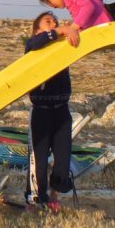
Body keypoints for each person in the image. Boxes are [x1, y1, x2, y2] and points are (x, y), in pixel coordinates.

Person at [24, 11, 73, 212]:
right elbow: (36, 43)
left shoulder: (60, 46)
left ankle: (55, 194)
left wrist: (72, 30)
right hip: (41, 112)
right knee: (39, 160)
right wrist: (59, 30)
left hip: (61, 111)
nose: (54, 23)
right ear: (37, 29)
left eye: (56, 21)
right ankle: (35, 200)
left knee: (63, 158)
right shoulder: (33, 46)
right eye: (48, 21)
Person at [34, 0, 112, 47]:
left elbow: (88, 7)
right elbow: (82, 17)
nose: (52, 6)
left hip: (101, 25)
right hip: (94, 27)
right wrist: (73, 27)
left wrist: (73, 28)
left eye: (48, 3)